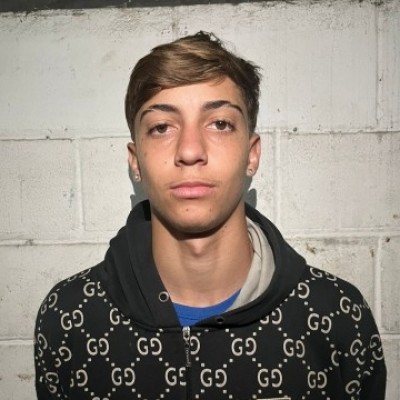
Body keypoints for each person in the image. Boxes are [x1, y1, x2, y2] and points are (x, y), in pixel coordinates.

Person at [34, 31, 386, 400]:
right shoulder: (69, 317)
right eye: (161, 127)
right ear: (135, 162)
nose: (190, 151)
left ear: (252, 154)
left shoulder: (337, 316)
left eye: (219, 123)